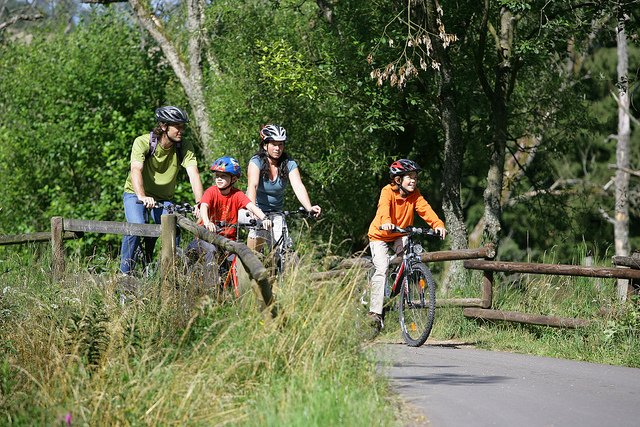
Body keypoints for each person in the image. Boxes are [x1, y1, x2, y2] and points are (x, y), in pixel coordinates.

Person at [119, 106, 204, 275]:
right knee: (137, 226)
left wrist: (201, 204)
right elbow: (136, 170)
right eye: (177, 126)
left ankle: (170, 274)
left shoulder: (184, 146)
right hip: (135, 194)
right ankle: (124, 274)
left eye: (183, 126)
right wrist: (142, 196)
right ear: (164, 126)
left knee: (174, 228)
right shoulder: (143, 142)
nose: (182, 130)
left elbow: (194, 175)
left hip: (163, 197)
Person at [366, 159, 447, 331]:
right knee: (381, 268)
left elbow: (425, 209)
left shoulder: (415, 195)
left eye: (415, 178)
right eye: (409, 177)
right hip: (380, 234)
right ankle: (374, 312)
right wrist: (387, 222)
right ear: (397, 179)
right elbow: (383, 209)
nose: (413, 181)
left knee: (409, 254)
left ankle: (397, 280)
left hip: (400, 234)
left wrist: (438, 225)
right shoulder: (387, 191)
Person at [245, 124, 321, 252]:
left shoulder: (289, 163)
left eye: (280, 144)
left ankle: (278, 270)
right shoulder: (256, 161)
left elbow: (298, 186)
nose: (277, 148)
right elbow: (252, 186)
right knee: (253, 255)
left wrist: (309, 207)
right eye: (274, 144)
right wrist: (254, 213)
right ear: (265, 145)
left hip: (276, 213)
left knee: (281, 253)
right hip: (256, 211)